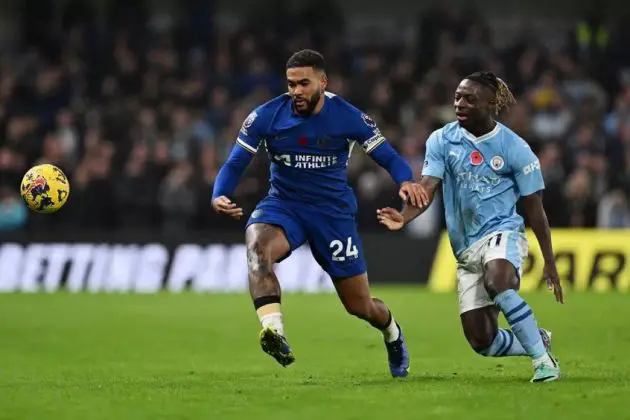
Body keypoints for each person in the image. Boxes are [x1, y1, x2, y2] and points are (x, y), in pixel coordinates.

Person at [212, 49, 424, 377]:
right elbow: (235, 162)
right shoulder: (267, 116)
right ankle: (274, 330)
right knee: (257, 249)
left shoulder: (348, 116)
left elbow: (388, 156)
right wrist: (219, 193)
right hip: (284, 206)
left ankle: (392, 333)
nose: (296, 91)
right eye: (291, 84)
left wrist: (405, 181)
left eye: (304, 84)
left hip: (332, 215)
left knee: (360, 306)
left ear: (323, 82)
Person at [377, 71, 563, 383]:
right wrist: (404, 216)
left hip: (502, 232)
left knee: (499, 280)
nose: (460, 103)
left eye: (469, 99)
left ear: (491, 104)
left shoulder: (515, 148)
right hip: (464, 247)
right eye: (458, 97)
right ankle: (535, 338)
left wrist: (550, 261)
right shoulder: (441, 139)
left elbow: (536, 210)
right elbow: (427, 185)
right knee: (483, 341)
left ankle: (544, 363)